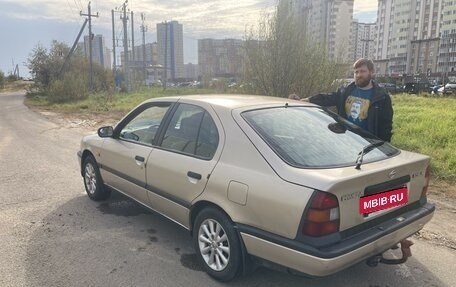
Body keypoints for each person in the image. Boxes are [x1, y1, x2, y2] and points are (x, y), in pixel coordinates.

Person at [306, 58, 393, 142]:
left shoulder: (382, 97)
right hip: (346, 142)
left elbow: (386, 127)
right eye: (356, 72)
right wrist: (308, 100)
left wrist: (382, 147)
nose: (359, 75)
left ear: (371, 72)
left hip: (368, 145)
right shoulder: (345, 91)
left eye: (362, 71)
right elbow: (327, 98)